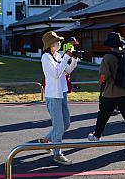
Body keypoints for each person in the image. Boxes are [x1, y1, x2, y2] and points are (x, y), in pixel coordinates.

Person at [88, 32, 125, 157]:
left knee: (103, 116)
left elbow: (103, 77)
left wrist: (100, 82)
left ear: (110, 45)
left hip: (111, 93)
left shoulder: (108, 57)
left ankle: (97, 135)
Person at [39, 31, 78, 165]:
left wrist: (73, 59)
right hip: (53, 96)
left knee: (66, 124)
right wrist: (66, 58)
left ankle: (46, 140)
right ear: (50, 44)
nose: (60, 43)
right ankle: (57, 154)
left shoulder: (58, 56)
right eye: (58, 41)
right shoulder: (46, 57)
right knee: (59, 126)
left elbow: (67, 70)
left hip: (62, 93)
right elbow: (56, 73)